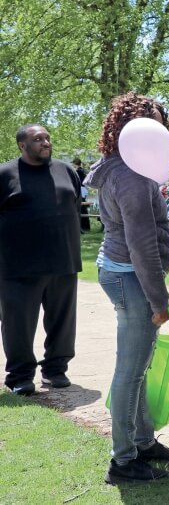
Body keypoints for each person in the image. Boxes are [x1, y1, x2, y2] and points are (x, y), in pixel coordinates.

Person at [85, 93, 169, 484]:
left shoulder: (124, 167)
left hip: (122, 271)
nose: (158, 131)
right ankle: (123, 459)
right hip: (131, 276)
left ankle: (143, 442)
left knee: (138, 368)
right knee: (130, 371)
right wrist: (159, 301)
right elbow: (142, 244)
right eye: (151, 122)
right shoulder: (129, 175)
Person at [0, 125, 81, 396]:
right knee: (18, 324)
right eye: (37, 139)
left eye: (47, 138)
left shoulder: (66, 170)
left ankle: (55, 370)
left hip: (64, 261)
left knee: (63, 321)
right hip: (19, 266)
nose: (45, 143)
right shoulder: (5, 174)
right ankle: (20, 376)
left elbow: (73, 204)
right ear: (22, 145)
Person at [72, 157, 91, 233]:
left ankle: (83, 226)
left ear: (75, 163)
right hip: (83, 190)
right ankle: (84, 226)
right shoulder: (81, 171)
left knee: (82, 207)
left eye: (73, 163)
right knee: (83, 207)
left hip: (81, 190)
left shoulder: (79, 171)